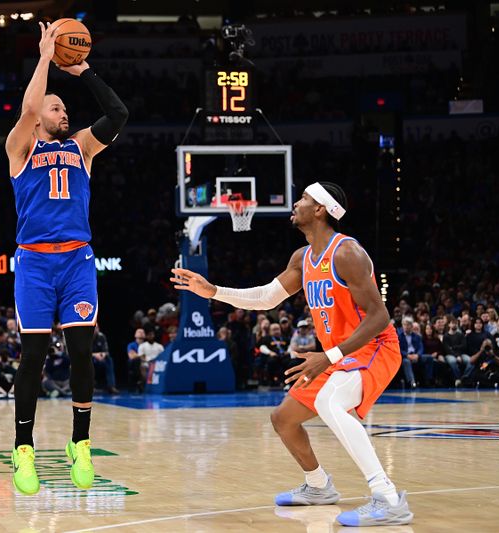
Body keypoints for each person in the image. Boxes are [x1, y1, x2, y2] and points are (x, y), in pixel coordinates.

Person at [171, 182, 413, 526]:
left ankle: (388, 498)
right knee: (283, 419)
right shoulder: (303, 257)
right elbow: (267, 298)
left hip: (374, 348)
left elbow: (380, 317)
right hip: (337, 355)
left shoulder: (347, 253)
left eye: (303, 199)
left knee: (331, 403)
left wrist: (328, 356)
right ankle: (318, 486)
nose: (295, 203)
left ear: (320, 210)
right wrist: (213, 291)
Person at [5, 21, 127, 495]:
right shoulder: (20, 148)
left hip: (76, 261)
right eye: (56, 107)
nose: (62, 111)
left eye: (64, 107)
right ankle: (23, 449)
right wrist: (44, 56)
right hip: (35, 264)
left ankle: (81, 441)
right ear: (37, 119)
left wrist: (84, 71)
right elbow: (31, 106)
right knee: (33, 355)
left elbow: (117, 113)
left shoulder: (82, 148)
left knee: (81, 350)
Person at [91, 324, 118, 394]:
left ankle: (111, 386)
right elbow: (84, 352)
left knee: (109, 360)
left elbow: (106, 351)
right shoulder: (86, 337)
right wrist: (95, 355)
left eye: (97, 328)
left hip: (100, 359)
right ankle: (90, 386)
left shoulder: (101, 336)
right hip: (89, 359)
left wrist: (103, 355)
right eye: (94, 328)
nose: (95, 329)